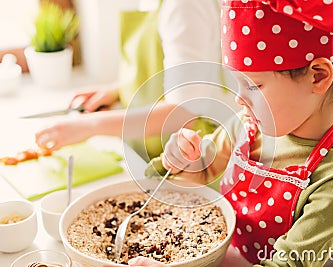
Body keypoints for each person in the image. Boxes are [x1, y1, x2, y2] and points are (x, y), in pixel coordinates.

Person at [133, 0, 333, 266]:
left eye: (254, 86)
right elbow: (199, 173)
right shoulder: (246, 126)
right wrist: (184, 160)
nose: (239, 99)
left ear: (318, 77)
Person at [35, 0, 238, 161]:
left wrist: (90, 125)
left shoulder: (185, 6)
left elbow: (184, 111)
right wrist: (116, 90)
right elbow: (163, 68)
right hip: (150, 144)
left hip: (190, 154)